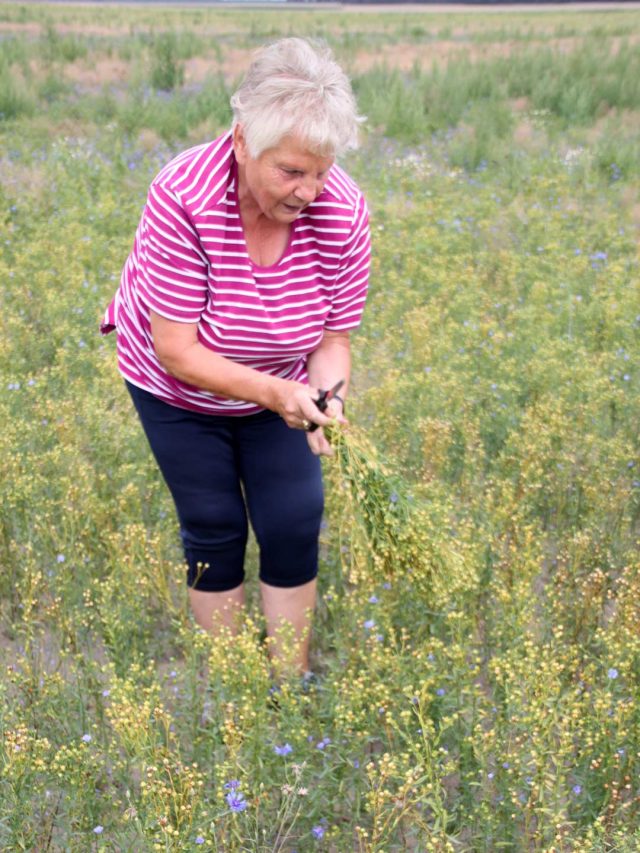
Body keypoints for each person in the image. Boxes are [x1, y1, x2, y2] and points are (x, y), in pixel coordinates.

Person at [101, 37, 370, 676]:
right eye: (291, 171)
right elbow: (178, 352)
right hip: (178, 391)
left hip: (282, 388)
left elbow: (333, 340)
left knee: (294, 519)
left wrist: (325, 399)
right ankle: (236, 687)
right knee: (213, 522)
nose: (309, 189)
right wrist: (279, 395)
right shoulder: (184, 194)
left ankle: (288, 680)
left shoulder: (344, 212)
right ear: (243, 140)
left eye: (321, 170)